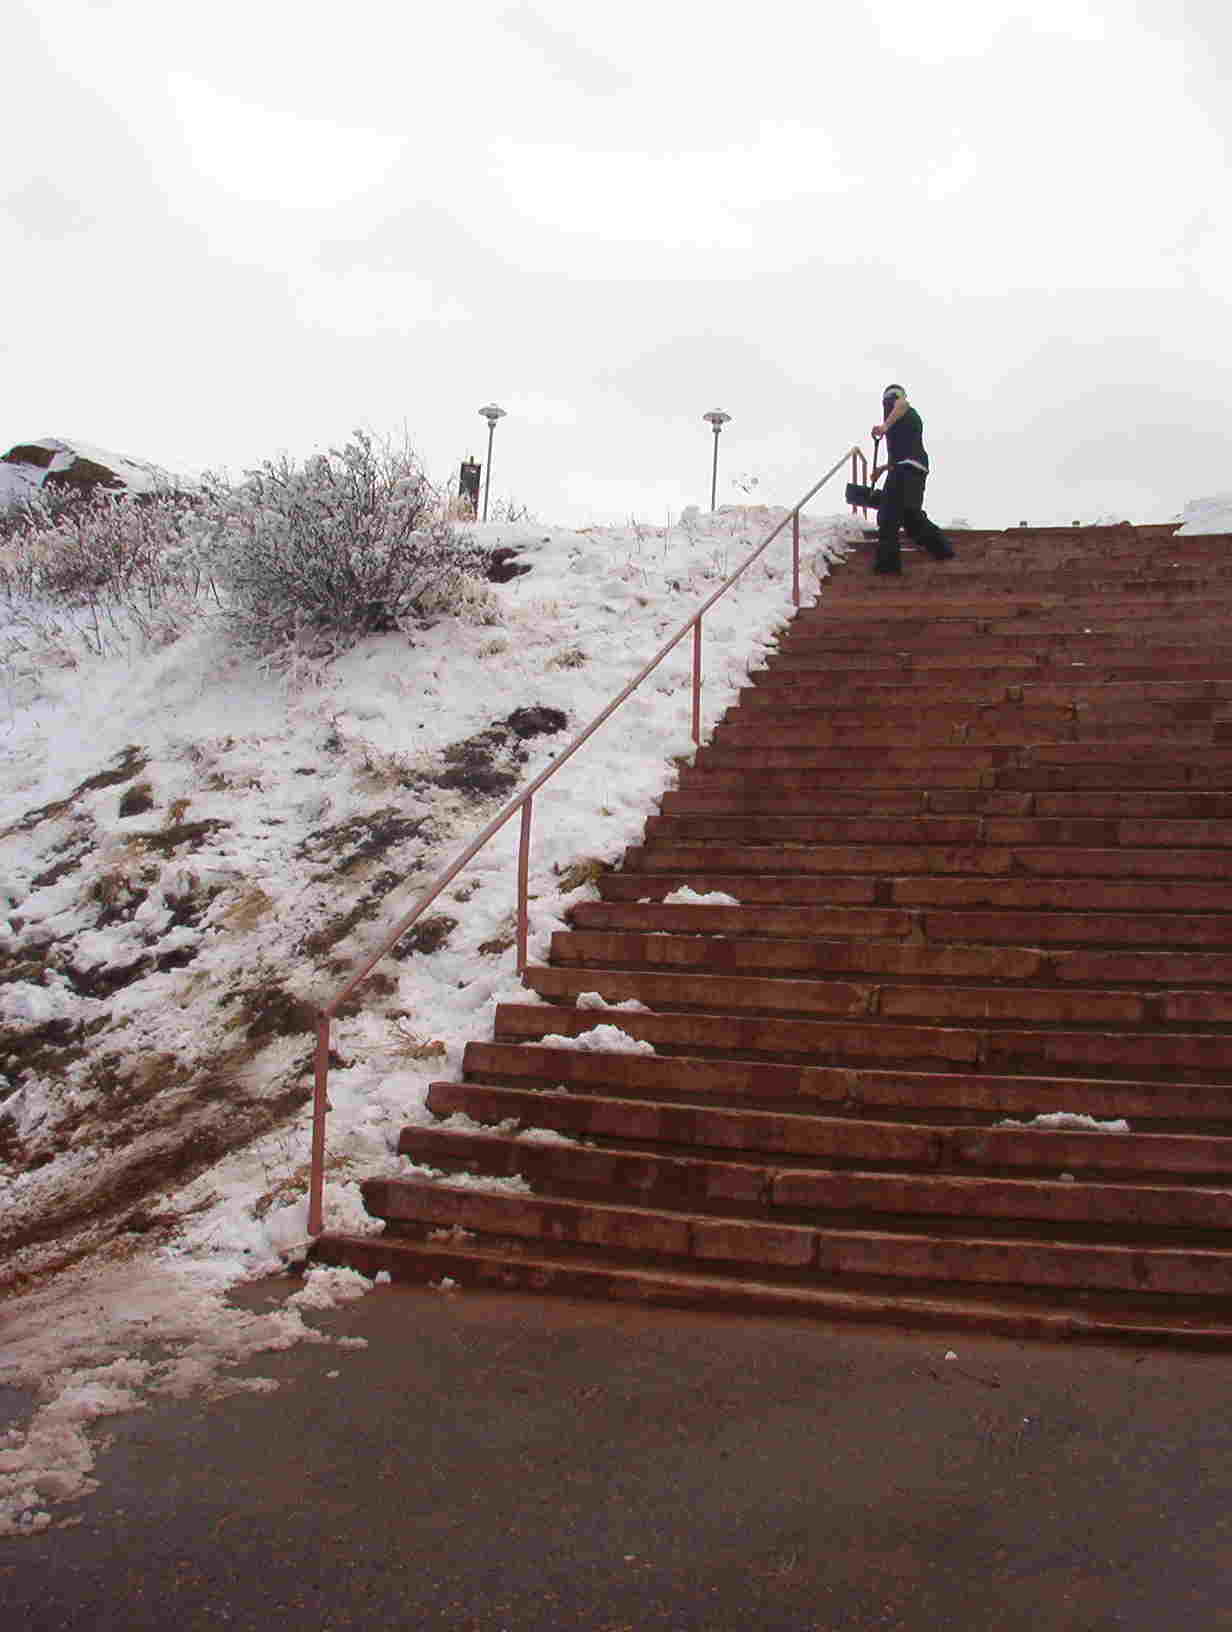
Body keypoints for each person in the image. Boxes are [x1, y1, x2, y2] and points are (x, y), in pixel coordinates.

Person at [869, 385, 955, 574]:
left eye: (889, 399)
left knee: (888, 515)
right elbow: (901, 454)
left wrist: (884, 426)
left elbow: (901, 404)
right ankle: (942, 548)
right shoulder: (899, 424)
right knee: (910, 516)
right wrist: (882, 469)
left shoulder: (902, 409)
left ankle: (887, 567)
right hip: (914, 468)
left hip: (905, 469)